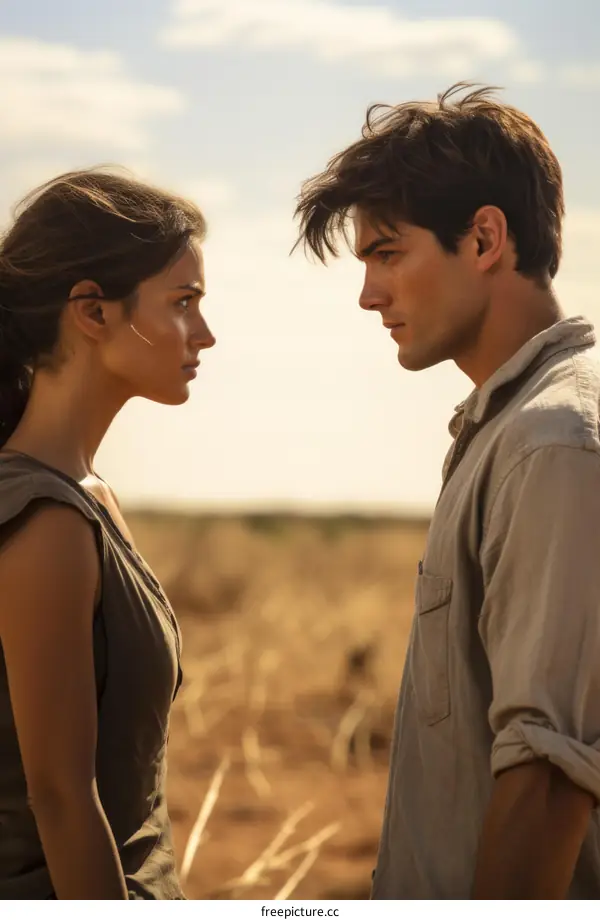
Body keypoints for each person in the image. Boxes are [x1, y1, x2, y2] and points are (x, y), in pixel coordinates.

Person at [293, 82, 600, 899]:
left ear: (485, 238)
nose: (369, 295)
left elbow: (547, 779)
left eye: (388, 254)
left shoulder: (554, 443)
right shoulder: (509, 430)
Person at [0, 168, 215, 899]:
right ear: (92, 312)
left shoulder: (88, 501)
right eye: (183, 303)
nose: (205, 334)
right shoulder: (46, 520)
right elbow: (62, 799)